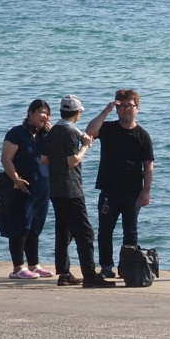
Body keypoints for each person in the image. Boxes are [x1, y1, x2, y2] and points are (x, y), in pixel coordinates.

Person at [86, 90, 153, 283]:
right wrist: (106, 110)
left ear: (137, 109)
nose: (125, 109)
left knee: (130, 231)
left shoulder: (142, 135)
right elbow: (90, 131)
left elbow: (148, 164)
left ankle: (127, 266)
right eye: (121, 106)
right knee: (105, 230)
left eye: (129, 105)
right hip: (109, 189)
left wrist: (146, 190)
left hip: (133, 191)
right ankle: (106, 267)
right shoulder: (108, 128)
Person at [43, 95, 109, 288]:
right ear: (78, 113)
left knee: (63, 231)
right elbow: (73, 161)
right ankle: (89, 274)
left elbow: (44, 159)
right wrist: (85, 147)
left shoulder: (54, 130)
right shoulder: (70, 132)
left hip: (55, 188)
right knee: (85, 233)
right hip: (70, 189)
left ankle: (64, 273)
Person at [0, 100, 52, 280]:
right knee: (20, 227)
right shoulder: (17, 133)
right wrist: (16, 179)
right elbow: (6, 158)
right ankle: (17, 268)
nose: (45, 117)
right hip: (21, 187)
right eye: (42, 112)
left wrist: (52, 135)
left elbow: (54, 157)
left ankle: (33, 265)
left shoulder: (44, 135)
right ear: (30, 113)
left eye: (48, 114)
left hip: (42, 189)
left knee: (35, 227)